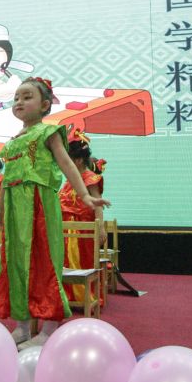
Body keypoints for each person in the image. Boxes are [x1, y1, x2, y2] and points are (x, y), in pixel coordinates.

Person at [0, 78, 110, 349]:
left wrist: (84, 195)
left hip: (39, 204)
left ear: (45, 105)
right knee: (16, 263)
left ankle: (48, 327)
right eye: (16, 98)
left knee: (44, 261)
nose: (19, 102)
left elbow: (67, 164)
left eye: (27, 97)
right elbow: (8, 179)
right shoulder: (13, 142)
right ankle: (22, 326)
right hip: (15, 208)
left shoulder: (49, 132)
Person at [59, 128, 106, 303]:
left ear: (78, 160)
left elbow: (97, 204)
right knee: (64, 261)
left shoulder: (90, 178)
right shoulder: (69, 180)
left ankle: (81, 296)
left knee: (79, 261)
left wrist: (100, 228)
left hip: (82, 230)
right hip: (64, 229)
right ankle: (67, 296)